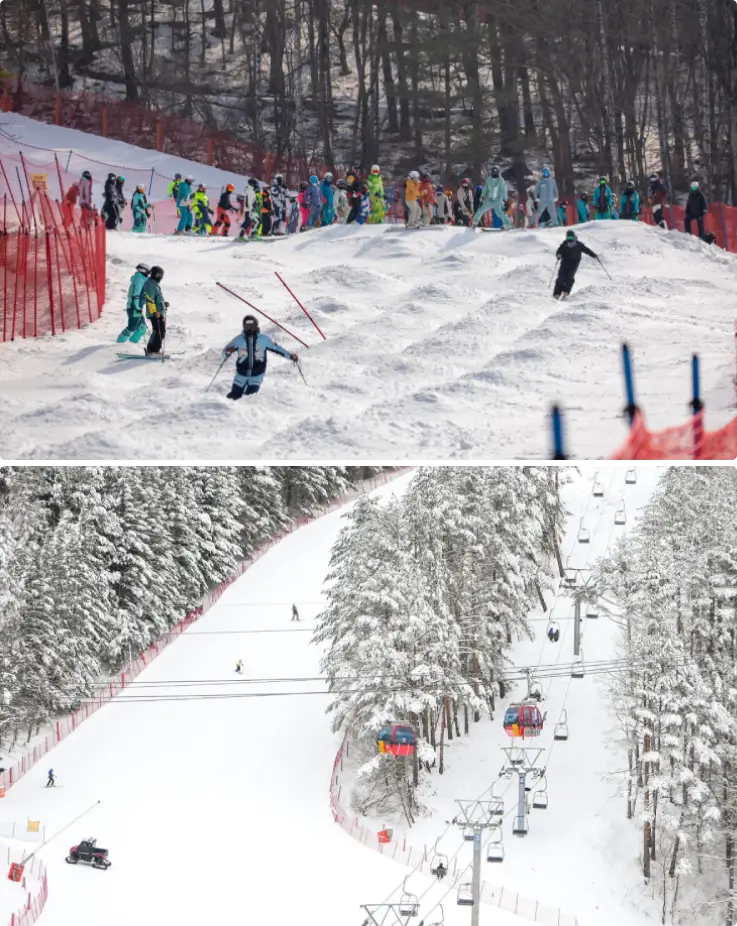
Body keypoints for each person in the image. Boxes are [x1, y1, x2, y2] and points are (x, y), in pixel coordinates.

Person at [221, 314, 299, 399]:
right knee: (233, 397)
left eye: (252, 327)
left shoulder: (264, 339)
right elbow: (224, 353)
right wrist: (228, 352)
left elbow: (277, 348)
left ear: (256, 326)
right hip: (241, 374)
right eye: (247, 327)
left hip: (257, 374)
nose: (249, 330)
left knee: (249, 398)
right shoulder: (239, 339)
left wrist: (290, 356)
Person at [553, 230, 597, 300]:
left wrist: (593, 255)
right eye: (568, 238)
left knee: (570, 277)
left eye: (571, 237)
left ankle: (566, 291)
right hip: (564, 263)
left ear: (574, 237)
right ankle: (557, 293)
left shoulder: (578, 244)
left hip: (574, 263)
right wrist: (559, 255)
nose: (569, 239)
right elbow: (559, 251)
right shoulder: (564, 244)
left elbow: (586, 250)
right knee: (561, 277)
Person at [117, 263, 150, 343]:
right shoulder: (139, 279)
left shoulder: (142, 280)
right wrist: (137, 307)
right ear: (144, 271)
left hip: (137, 307)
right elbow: (135, 294)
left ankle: (132, 345)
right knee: (132, 327)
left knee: (142, 328)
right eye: (148, 272)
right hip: (134, 308)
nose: (149, 274)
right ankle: (119, 344)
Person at [143, 266, 167, 354]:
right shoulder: (150, 284)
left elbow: (157, 299)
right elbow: (150, 299)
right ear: (155, 274)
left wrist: (164, 304)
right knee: (160, 331)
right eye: (159, 275)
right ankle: (153, 350)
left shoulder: (154, 284)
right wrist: (154, 311)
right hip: (155, 313)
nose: (161, 277)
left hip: (158, 312)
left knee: (158, 331)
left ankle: (151, 349)